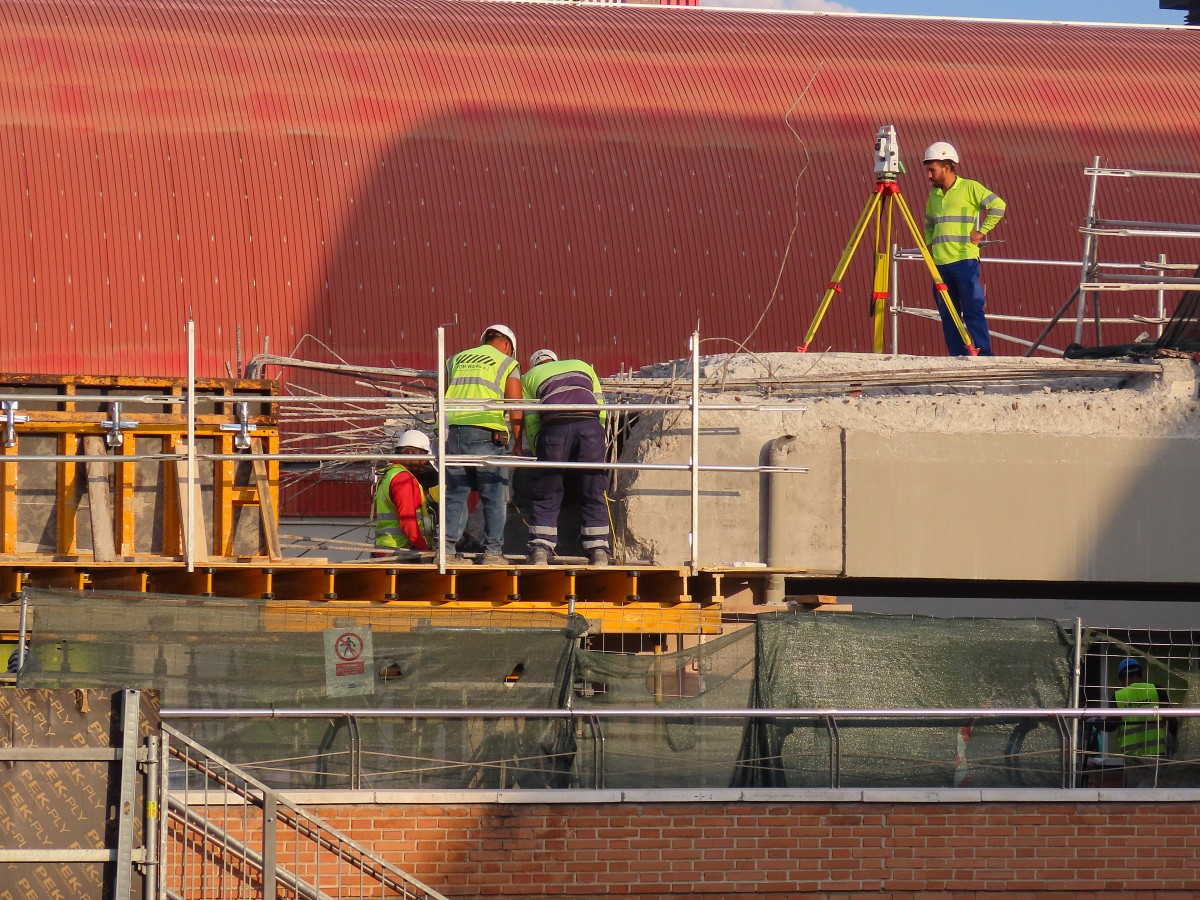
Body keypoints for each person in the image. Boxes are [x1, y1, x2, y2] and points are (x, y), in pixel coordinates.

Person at [521, 349, 611, 566]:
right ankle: (598, 550)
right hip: (589, 425)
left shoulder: (529, 377)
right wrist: (598, 437)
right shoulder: (582, 365)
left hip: (555, 427)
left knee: (548, 489)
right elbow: (601, 407)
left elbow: (531, 420)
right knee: (593, 488)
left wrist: (538, 451)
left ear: (535, 364)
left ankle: (541, 549)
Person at [444, 324, 523, 565]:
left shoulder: (454, 359)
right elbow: (515, 405)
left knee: (456, 494)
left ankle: (446, 551)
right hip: (485, 432)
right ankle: (493, 553)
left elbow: (444, 393)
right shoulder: (507, 363)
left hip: (453, 432)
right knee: (494, 494)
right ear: (508, 345)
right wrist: (518, 442)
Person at [923, 141, 1006, 357]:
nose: (929, 176)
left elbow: (998, 206)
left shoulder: (970, 187)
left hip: (964, 261)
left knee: (972, 310)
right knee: (948, 315)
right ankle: (957, 356)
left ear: (947, 167)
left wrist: (982, 231)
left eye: (932, 170)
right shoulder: (934, 195)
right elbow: (929, 223)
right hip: (940, 265)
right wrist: (930, 246)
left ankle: (983, 355)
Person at [1104, 657, 1174, 787]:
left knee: (1135, 796)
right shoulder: (1157, 690)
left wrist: (1094, 720)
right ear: (1141, 675)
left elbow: (1110, 726)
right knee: (1159, 793)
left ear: (1122, 678)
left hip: (1132, 757)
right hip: (1157, 753)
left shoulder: (1118, 696)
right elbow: (1172, 721)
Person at [373, 430, 436, 557]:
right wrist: (423, 550)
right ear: (411, 453)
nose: (426, 461)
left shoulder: (389, 474)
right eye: (423, 455)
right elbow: (408, 522)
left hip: (387, 548)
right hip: (400, 551)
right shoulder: (403, 478)